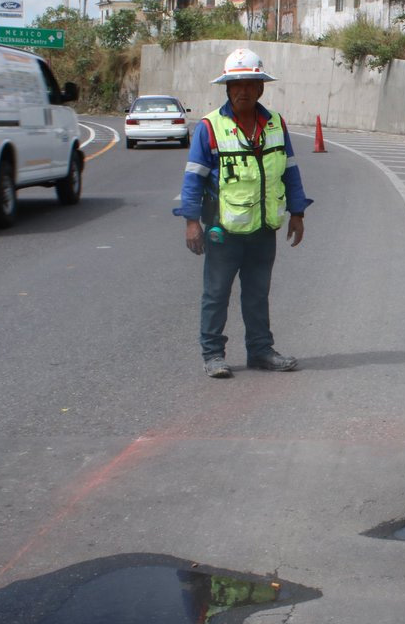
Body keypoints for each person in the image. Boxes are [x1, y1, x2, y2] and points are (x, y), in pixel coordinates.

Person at [174, 48, 313, 378]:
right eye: (236, 84)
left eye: (250, 83)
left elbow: (290, 171)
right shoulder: (210, 127)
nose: (243, 90)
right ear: (226, 88)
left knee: (257, 293)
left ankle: (261, 351)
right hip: (223, 229)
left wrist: (297, 213)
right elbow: (193, 177)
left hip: (264, 228)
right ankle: (212, 355)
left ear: (262, 87)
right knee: (216, 294)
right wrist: (192, 222)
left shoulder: (276, 124)